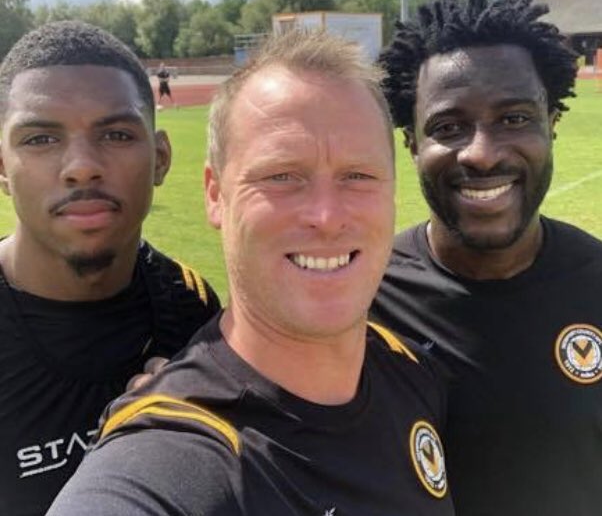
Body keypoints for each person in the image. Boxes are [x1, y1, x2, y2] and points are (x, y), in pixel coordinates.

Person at [48, 31, 454, 516]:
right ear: (215, 194)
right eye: (281, 176)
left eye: (358, 176)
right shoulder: (169, 463)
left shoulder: (411, 373)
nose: (326, 215)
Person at [370, 0, 602, 516]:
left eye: (515, 119)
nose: (482, 153)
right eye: (449, 127)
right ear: (411, 143)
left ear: (552, 125)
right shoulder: (360, 299)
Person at [0, 21, 221, 516]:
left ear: (160, 159)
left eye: (117, 134)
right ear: (1, 167)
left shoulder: (194, 308)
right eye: (40, 139)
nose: (81, 166)